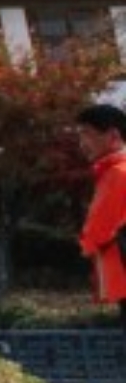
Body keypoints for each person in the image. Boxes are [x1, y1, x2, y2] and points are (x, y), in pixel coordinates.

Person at [76, 103, 126, 327]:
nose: (82, 144)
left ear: (113, 135)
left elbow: (98, 232)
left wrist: (86, 244)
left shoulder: (118, 173)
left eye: (87, 134)